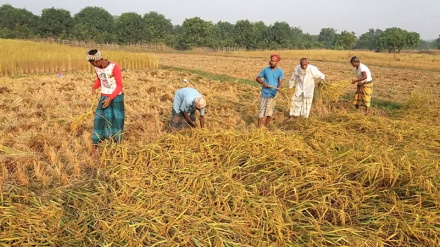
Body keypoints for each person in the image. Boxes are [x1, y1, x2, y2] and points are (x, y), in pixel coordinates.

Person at [87, 49, 125, 150]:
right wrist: (94, 87)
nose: (93, 65)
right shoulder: (97, 68)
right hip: (104, 96)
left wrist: (110, 98)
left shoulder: (114, 67)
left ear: (97, 60)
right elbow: (100, 79)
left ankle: (116, 143)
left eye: (92, 63)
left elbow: (120, 86)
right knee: (99, 120)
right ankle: (97, 143)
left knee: (117, 120)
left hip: (116, 97)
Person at [255, 53, 284, 128]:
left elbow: (280, 82)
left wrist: (279, 88)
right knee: (261, 111)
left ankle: (266, 127)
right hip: (265, 93)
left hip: (273, 95)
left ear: (277, 62)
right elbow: (257, 78)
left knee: (269, 112)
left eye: (274, 61)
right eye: (271, 61)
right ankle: (259, 128)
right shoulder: (265, 70)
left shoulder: (280, 72)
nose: (272, 62)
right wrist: (263, 83)